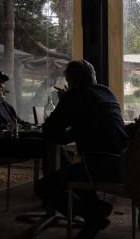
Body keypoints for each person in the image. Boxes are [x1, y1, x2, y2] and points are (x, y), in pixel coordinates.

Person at [34, 60, 129, 239]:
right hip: (124, 164)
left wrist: (66, 101)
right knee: (70, 168)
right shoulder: (106, 92)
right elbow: (87, 123)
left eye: (68, 81)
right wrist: (69, 105)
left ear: (72, 81)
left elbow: (49, 131)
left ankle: (92, 215)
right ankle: (95, 211)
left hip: (98, 167)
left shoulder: (75, 96)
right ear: (93, 77)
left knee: (42, 187)